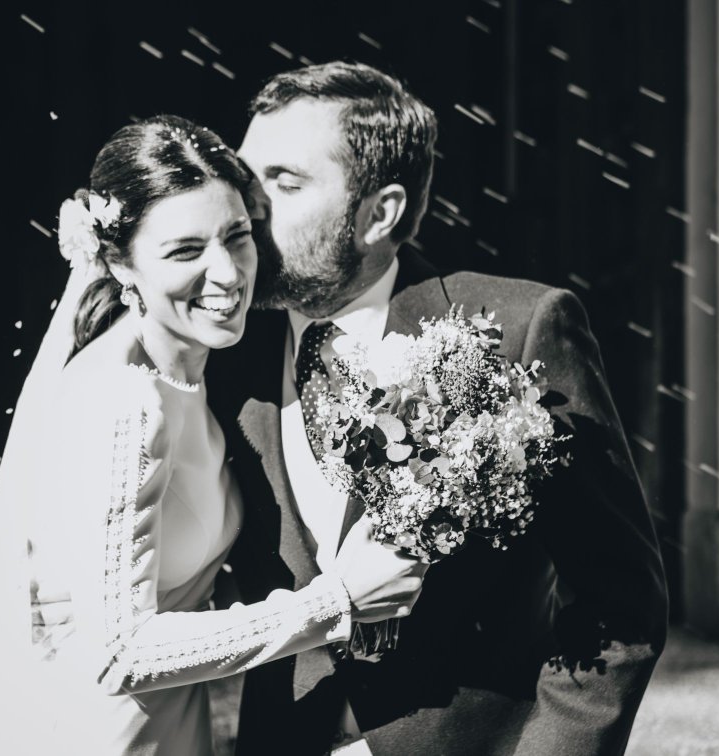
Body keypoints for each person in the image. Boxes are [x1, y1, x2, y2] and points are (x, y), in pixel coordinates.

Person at [206, 61, 669, 755]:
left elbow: (621, 599)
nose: (250, 207)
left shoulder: (517, 332)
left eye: (286, 182)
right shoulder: (221, 351)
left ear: (379, 213)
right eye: (248, 178)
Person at [0, 114, 426, 756]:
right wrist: (336, 602)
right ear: (120, 264)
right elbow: (120, 654)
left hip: (168, 728)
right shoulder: (126, 402)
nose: (227, 273)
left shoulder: (197, 375)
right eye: (185, 251)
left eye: (237, 237)